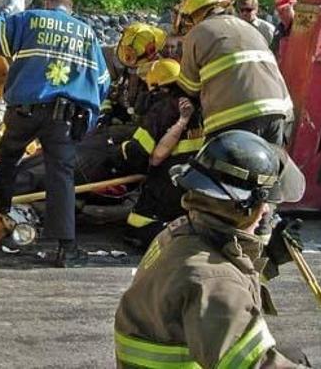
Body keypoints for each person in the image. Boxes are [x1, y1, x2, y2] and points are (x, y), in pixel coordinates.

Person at [114, 130, 308, 368]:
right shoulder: (213, 279)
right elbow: (252, 363)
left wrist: (271, 258)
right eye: (265, 203)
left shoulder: (181, 232)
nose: (268, 211)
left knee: (292, 355)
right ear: (247, 206)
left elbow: (221, 288)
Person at [0, 0, 111, 267]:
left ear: (47, 3)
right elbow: (102, 82)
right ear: (71, 9)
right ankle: (67, 248)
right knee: (60, 177)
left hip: (24, 111)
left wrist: (9, 10)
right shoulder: (86, 33)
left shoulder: (31, 18)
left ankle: (1, 211)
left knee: (9, 156)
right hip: (63, 118)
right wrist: (87, 116)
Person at [176, 0, 293, 144]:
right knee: (266, 166)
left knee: (223, 167)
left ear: (194, 15)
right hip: (278, 112)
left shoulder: (197, 33)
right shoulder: (250, 28)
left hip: (234, 118)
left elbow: (189, 87)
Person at [118, 58, 204, 248]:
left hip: (168, 183)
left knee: (136, 224)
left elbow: (142, 153)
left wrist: (121, 151)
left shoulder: (162, 109)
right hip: (196, 184)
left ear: (159, 88)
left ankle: (177, 236)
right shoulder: (201, 106)